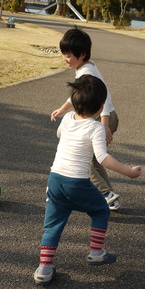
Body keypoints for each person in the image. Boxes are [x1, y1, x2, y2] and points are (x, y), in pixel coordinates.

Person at [34, 75, 142, 285]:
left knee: (53, 224)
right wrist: (129, 172)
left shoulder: (67, 119)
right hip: (77, 183)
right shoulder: (96, 128)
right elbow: (102, 158)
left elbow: (60, 135)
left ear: (73, 102)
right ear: (101, 107)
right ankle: (96, 251)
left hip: (55, 180)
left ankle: (44, 268)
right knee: (101, 210)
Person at [51, 27, 122, 211]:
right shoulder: (85, 67)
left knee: (80, 157)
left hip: (102, 118)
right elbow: (75, 95)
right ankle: (110, 196)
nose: (65, 59)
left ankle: (106, 193)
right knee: (95, 160)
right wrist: (62, 108)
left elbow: (103, 97)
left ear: (82, 54)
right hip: (102, 117)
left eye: (68, 55)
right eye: (63, 54)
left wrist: (105, 126)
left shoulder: (87, 73)